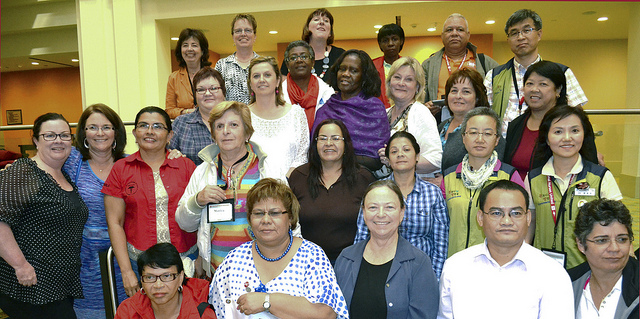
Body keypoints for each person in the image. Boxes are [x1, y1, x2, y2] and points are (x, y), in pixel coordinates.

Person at [209, 178, 349, 319]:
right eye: (258, 213)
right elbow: (217, 310)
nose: (266, 220)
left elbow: (325, 314)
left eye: (274, 213)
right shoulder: (234, 260)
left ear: (290, 218)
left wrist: (267, 301)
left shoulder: (312, 256)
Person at [438, 180, 574, 318]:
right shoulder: (456, 267)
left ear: (528, 218)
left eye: (516, 213)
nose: (506, 221)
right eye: (496, 213)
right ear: (480, 218)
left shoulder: (552, 273)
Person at [0, 113, 88, 318]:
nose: (58, 140)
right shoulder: (23, 172)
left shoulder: (60, 173)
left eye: (64, 135)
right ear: (35, 140)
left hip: (57, 283)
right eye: (49, 135)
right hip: (31, 285)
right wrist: (20, 265)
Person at [103, 107, 197, 298]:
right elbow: (115, 223)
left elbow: (201, 216)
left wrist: (202, 259)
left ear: (170, 134)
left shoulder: (186, 166)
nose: (150, 131)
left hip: (185, 262)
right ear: (134, 132)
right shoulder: (121, 169)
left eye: (158, 127)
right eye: (143, 126)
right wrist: (127, 271)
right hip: (140, 267)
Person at [175, 101, 267, 275]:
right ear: (213, 135)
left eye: (234, 125)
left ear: (247, 132)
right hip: (217, 273)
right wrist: (198, 201)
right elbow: (184, 224)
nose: (226, 131)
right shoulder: (202, 171)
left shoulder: (267, 169)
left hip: (261, 270)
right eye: (219, 126)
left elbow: (289, 221)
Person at [526, 105, 622, 269]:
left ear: (584, 135)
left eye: (575, 131)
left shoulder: (600, 177)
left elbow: (620, 225)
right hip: (543, 267)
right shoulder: (533, 178)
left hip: (588, 269)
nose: (567, 138)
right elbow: (529, 224)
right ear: (547, 138)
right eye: (558, 132)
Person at [336, 180, 439, 319]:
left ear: (402, 213)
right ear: (364, 213)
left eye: (389, 207)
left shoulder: (419, 263)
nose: (380, 214)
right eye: (373, 207)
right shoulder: (346, 258)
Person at [63, 104, 128, 318]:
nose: (100, 133)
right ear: (83, 133)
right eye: (92, 127)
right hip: (83, 261)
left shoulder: (129, 164)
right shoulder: (71, 162)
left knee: (127, 309)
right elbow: (41, 162)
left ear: (116, 132)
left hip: (125, 257)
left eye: (106, 127)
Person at [356, 132, 449, 279]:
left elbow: (441, 243)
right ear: (388, 159)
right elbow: (362, 235)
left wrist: (434, 279)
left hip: (421, 272)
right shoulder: (376, 191)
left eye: (406, 150)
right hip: (381, 269)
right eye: (394, 151)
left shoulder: (432, 193)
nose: (400, 154)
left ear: (417, 156)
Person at [484, 9, 588, 135]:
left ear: (539, 34)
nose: (520, 37)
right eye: (514, 33)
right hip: (505, 149)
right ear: (508, 40)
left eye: (527, 30)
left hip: (548, 147)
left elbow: (578, 117)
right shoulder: (494, 75)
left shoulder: (561, 73)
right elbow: (484, 115)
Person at [288, 119, 375, 263]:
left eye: (335, 138)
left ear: (345, 144)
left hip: (352, 262)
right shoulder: (299, 177)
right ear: (315, 144)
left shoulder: (363, 178)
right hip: (305, 261)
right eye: (322, 138)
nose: (329, 143)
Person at [442, 107, 523, 257]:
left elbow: (520, 224)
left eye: (487, 133)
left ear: (497, 139)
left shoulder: (510, 176)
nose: (480, 139)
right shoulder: (449, 176)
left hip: (496, 263)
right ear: (463, 137)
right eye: (473, 133)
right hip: (455, 261)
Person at [504, 61, 598, 178]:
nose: (534, 89)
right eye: (529, 84)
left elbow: (591, 167)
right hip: (517, 193)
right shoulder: (516, 125)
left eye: (543, 84)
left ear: (558, 90)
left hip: (558, 193)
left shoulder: (574, 123)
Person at [313, 49, 390, 172]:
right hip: (325, 176)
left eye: (353, 71)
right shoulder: (325, 109)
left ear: (364, 77)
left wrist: (337, 158)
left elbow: (375, 159)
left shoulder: (374, 108)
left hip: (363, 178)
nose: (346, 74)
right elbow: (314, 151)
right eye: (342, 69)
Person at [422, 13, 499, 123]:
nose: (454, 33)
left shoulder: (486, 63)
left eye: (460, 29)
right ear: (442, 36)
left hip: (477, 123)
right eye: (449, 30)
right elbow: (418, 97)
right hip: (438, 123)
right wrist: (425, 108)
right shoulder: (428, 65)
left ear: (468, 35)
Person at [569, 199, 638, 319]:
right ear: (581, 244)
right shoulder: (568, 284)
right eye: (602, 240)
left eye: (622, 239)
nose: (614, 248)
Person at [248, 56, 309, 182]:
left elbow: (302, 156)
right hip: (251, 190)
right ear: (250, 84)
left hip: (290, 188)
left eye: (267, 75)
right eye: (256, 76)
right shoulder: (241, 115)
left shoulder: (296, 114)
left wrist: (283, 183)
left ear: (277, 81)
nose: (261, 80)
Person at [114, 243, 216, 318]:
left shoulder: (202, 309)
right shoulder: (128, 312)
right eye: (150, 277)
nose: (158, 285)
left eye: (166, 276)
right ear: (142, 281)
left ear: (181, 278)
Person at [379, 56, 441, 177]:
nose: (401, 83)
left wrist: (396, 161)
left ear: (417, 87)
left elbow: (436, 159)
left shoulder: (420, 113)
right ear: (389, 82)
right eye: (397, 77)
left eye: (408, 79)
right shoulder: (384, 113)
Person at [438, 67, 506, 172]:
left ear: (477, 97)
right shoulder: (441, 127)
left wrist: (446, 179)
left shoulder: (488, 128)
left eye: (466, 92)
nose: (458, 96)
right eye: (454, 91)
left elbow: (493, 168)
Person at [170, 66, 226, 165]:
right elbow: (167, 155)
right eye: (201, 90)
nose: (207, 93)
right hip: (192, 179)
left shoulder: (236, 121)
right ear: (195, 95)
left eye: (213, 88)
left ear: (224, 92)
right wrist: (174, 155)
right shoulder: (181, 123)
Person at [281, 40, 335, 130]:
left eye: (304, 56)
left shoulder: (327, 92)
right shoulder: (278, 94)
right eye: (293, 58)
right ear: (287, 64)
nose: (299, 60)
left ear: (313, 62)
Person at [281, 8, 346, 81]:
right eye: (316, 19)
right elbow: (283, 87)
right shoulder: (293, 55)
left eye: (326, 20)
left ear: (330, 33)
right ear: (307, 28)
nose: (321, 22)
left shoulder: (341, 56)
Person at [166, 28, 212, 119]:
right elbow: (169, 111)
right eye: (185, 45)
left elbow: (220, 104)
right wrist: (186, 112)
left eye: (194, 45)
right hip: (184, 127)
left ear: (202, 51)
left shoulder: (213, 75)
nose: (189, 49)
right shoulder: (174, 78)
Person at [215, 14, 259, 105]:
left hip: (259, 117)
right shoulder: (221, 65)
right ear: (233, 37)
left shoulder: (263, 64)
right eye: (238, 31)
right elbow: (217, 96)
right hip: (229, 117)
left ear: (255, 36)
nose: (243, 34)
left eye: (248, 30)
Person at [372, 23, 405, 109]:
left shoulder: (409, 66)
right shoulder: (371, 66)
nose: (390, 44)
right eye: (385, 40)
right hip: (377, 113)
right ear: (380, 44)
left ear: (401, 41)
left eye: (394, 39)